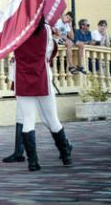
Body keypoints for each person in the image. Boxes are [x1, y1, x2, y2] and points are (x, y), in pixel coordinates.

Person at [10, 21, 73, 172]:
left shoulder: (16, 28)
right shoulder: (45, 29)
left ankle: (33, 162)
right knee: (53, 119)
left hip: (22, 77)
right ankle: (66, 156)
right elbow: (49, 52)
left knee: (28, 121)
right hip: (41, 76)